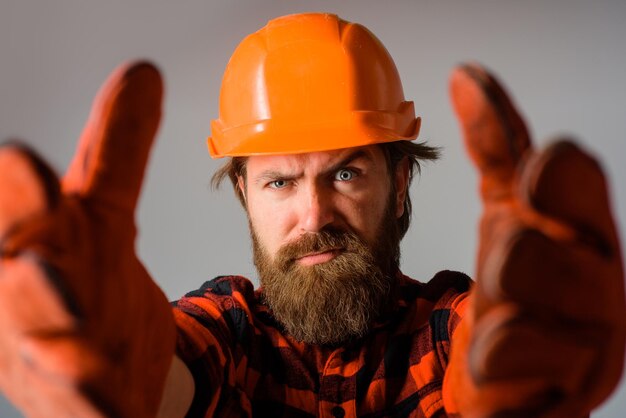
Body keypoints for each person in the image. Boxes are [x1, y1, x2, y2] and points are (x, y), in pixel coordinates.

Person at [0, 12, 623, 418]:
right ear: (246, 195)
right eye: (280, 181)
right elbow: (164, 374)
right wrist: (114, 368)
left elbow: (482, 359)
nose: (314, 213)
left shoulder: (453, 328)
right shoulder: (228, 330)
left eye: (345, 173)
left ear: (400, 182)